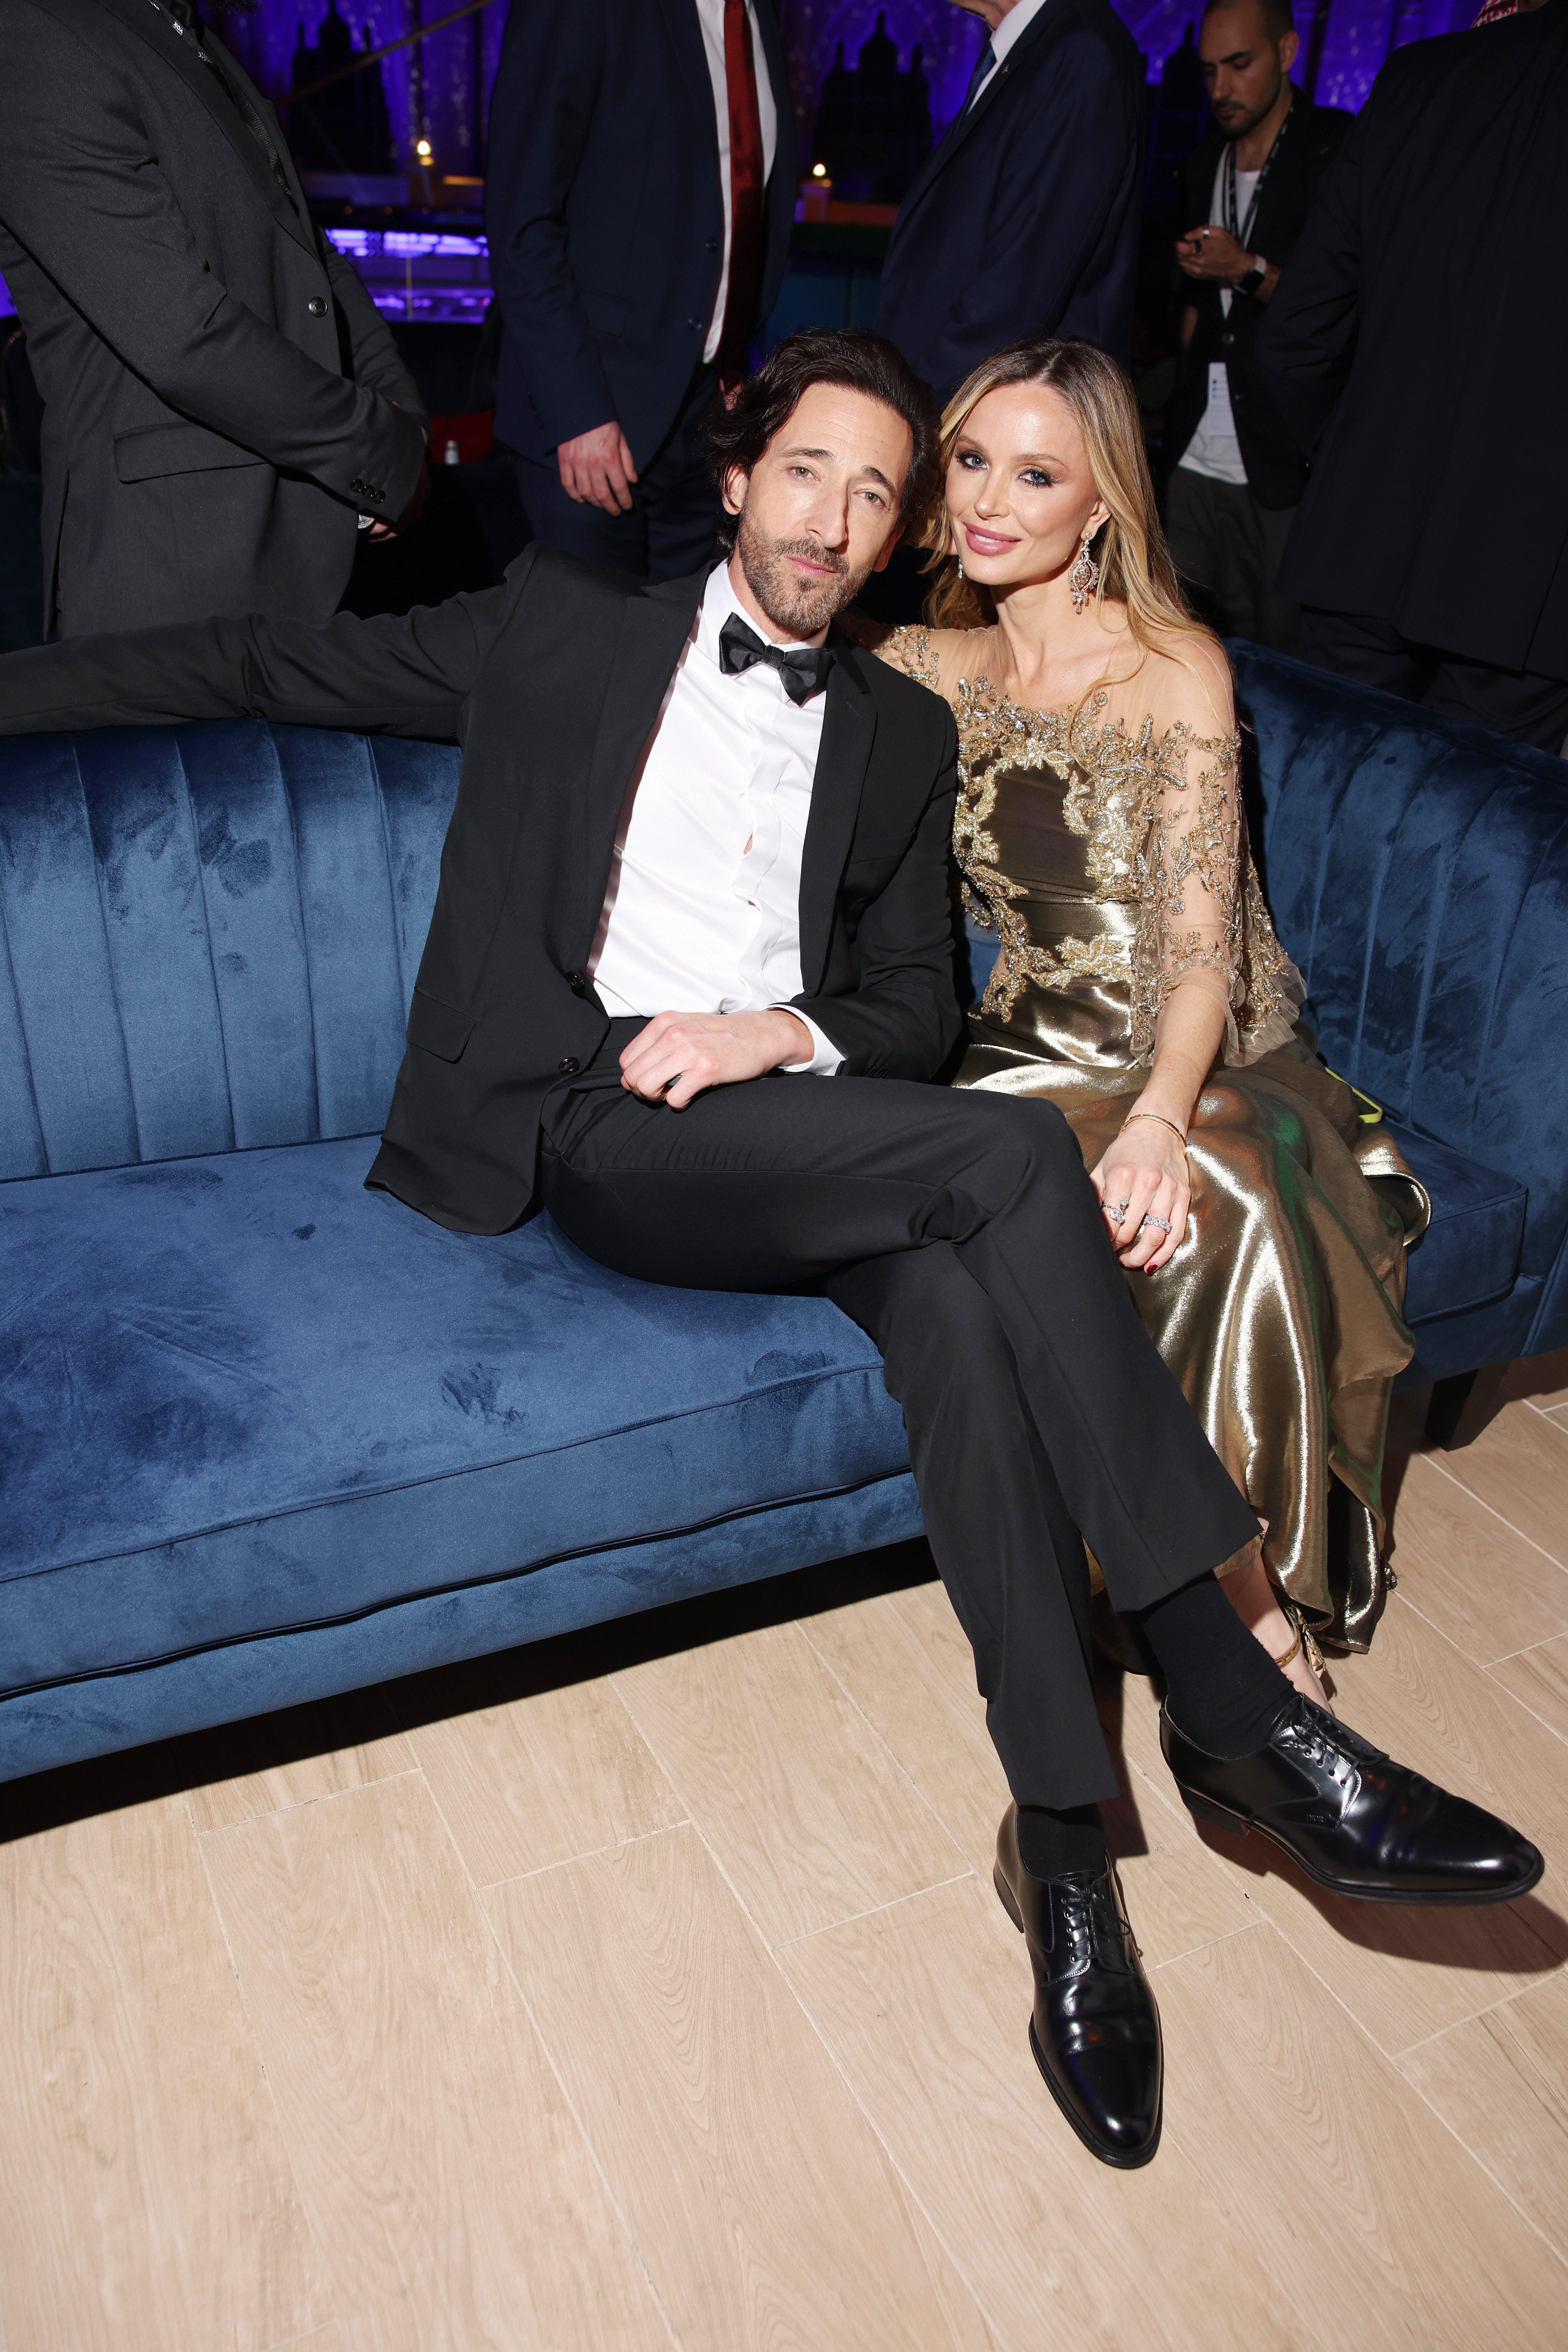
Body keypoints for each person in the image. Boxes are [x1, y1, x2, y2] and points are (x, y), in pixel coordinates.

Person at [0, 328, 1539, 2175]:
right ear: (735, 478)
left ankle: (1062, 1853)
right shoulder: (557, 629)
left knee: (966, 1317)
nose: (838, 516)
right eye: (808, 469)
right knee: (998, 1160)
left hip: (786, 1119)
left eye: (878, 492)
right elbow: (254, 655)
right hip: (602, 1127)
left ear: (894, 540)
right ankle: (1230, 1701)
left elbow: (900, 1009)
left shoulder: (894, 726)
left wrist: (768, 1036)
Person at [865, 328, 1432, 1710]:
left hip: (1194, 1047)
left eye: (1037, 474)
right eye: (972, 463)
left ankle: (1243, 1610)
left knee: (1225, 1184)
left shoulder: (1175, 666)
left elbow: (1200, 954)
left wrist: (1161, 1123)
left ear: (1102, 501)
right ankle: (1234, 1620)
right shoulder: (925, 665)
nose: (992, 500)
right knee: (1065, 1206)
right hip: (1013, 1058)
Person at [0, 0, 429, 639]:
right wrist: (377, 452)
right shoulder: (36, 33)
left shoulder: (190, 36)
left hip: (303, 561)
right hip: (175, 577)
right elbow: (185, 337)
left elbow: (314, 260)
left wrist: (402, 416)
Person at [1256, 0, 1568, 752]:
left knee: (1325, 822)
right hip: (1529, 581)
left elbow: (1294, 338)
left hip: (1361, 542)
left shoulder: (1415, 76)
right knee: (1472, 848)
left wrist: (1358, 462)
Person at [485, 0, 796, 581]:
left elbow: (743, 205)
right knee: (587, 662)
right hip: (592, 415)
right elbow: (521, 221)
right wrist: (576, 413)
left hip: (706, 422)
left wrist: (732, 364)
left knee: (677, 661)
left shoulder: (758, 14)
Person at [1164, 0, 1350, 654]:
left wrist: (1245, 269)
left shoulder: (1333, 152)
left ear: (1288, 52)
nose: (1221, 89)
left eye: (1240, 66)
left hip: (1280, 453)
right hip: (1193, 445)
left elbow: (1348, 304)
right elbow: (1191, 306)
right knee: (1169, 637)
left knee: (1279, 653)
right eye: (1209, 71)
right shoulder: (1203, 156)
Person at [876, 0, 1145, 405]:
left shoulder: (1079, 51)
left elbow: (1014, 299)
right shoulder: (1033, 49)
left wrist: (907, 413)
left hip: (1006, 426)